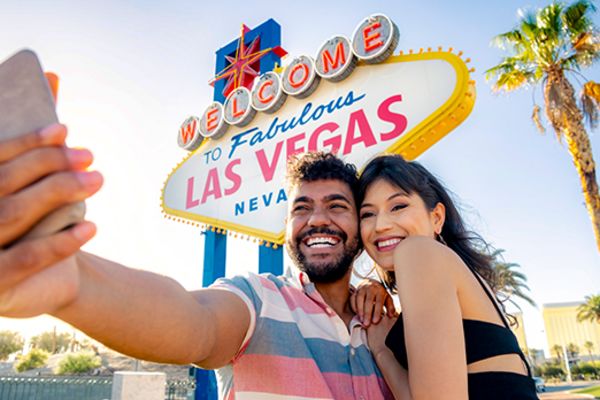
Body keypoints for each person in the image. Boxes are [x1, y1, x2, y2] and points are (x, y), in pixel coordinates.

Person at [0, 124, 394, 399]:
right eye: (301, 208)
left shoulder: (387, 320)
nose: (317, 220)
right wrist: (71, 280)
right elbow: (194, 320)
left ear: (359, 224)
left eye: (336, 206)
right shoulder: (259, 298)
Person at [356, 154, 539, 399]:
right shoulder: (451, 272)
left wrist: (382, 350)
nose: (381, 225)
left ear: (437, 217)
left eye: (398, 206)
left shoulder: (418, 251)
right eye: (367, 214)